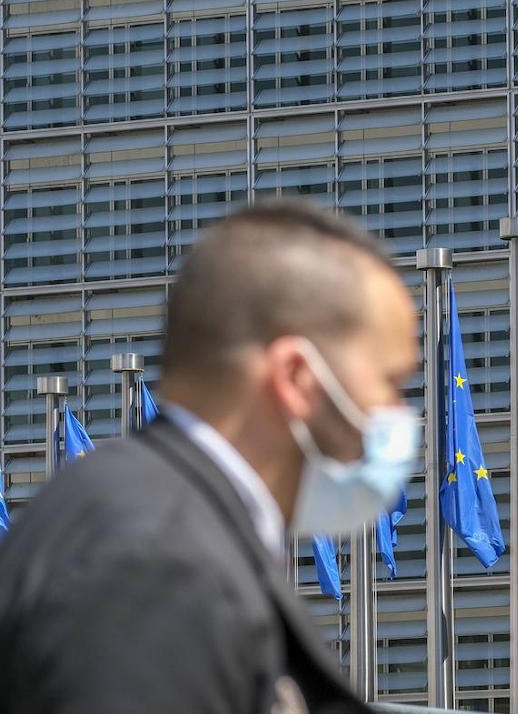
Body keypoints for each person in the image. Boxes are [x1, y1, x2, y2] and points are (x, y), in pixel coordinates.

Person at [0, 202, 421, 713]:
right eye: (390, 381)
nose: (397, 412)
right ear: (297, 378)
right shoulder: (158, 566)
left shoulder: (166, 528)